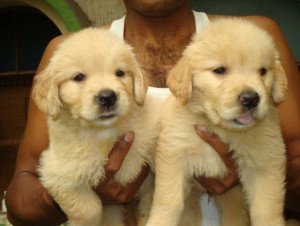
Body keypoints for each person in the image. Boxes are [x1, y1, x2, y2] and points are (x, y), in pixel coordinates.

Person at [5, 0, 300, 225]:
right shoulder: (66, 51)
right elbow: (20, 201)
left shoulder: (258, 37)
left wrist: (247, 168)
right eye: (220, 71)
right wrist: (79, 195)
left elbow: (284, 159)